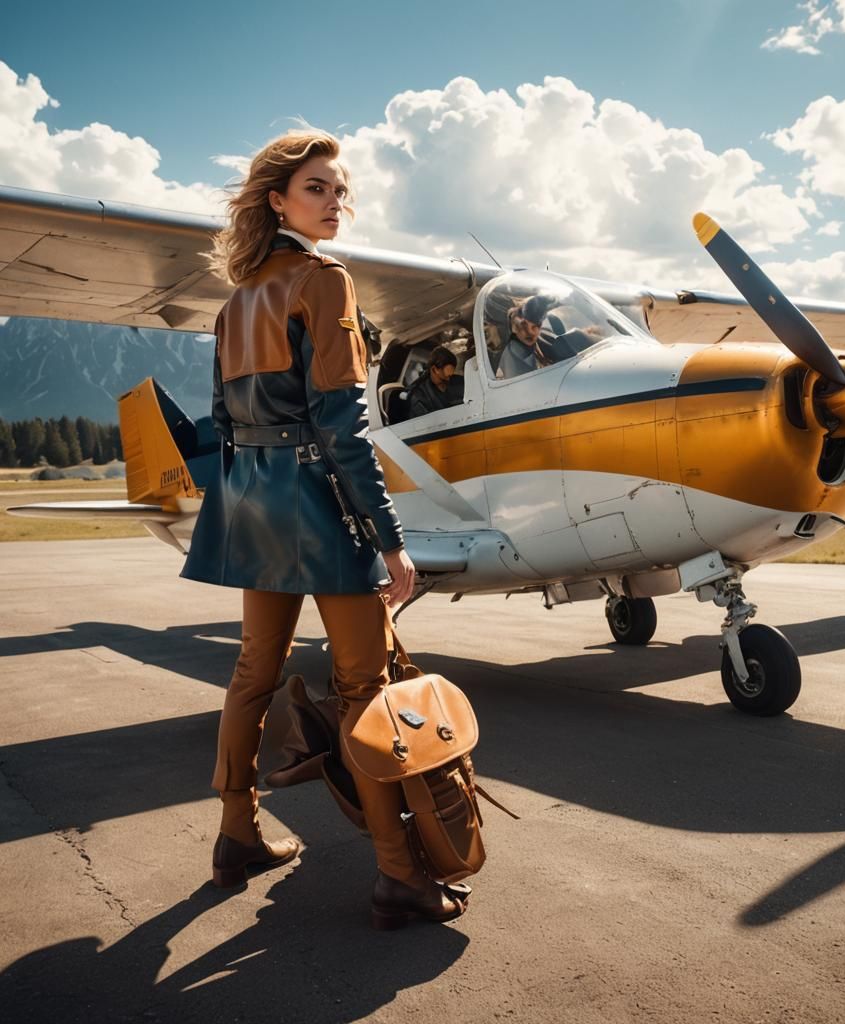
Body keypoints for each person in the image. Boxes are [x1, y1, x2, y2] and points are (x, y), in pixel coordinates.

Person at [181, 128, 465, 926]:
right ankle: (400, 873)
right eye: (317, 188)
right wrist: (390, 538)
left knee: (252, 675)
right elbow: (344, 427)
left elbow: (222, 422)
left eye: (340, 189)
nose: (335, 201)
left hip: (253, 505)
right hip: (317, 505)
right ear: (277, 201)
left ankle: (236, 835)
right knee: (364, 690)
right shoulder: (323, 280)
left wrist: (252, 495)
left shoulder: (236, 302)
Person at [497, 295, 558, 378]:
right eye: (524, 325)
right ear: (515, 327)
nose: (530, 331)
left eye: (536, 326)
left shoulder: (546, 342)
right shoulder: (512, 358)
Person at [406, 346, 459, 418]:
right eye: (445, 377)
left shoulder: (457, 383)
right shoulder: (418, 397)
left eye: (451, 376)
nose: (448, 380)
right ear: (434, 369)